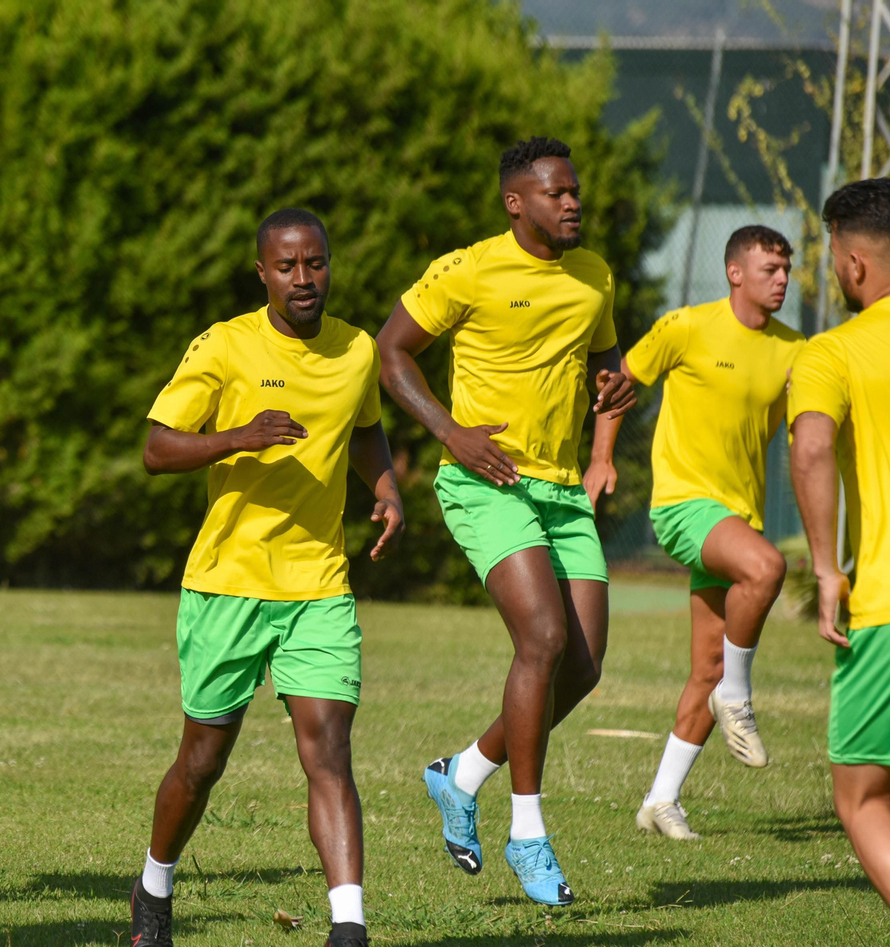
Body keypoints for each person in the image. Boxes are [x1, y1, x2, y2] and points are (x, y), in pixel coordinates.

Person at [128, 208, 405, 947]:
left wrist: (386, 489)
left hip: (318, 583)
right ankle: (153, 890)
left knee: (330, 753)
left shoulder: (357, 349)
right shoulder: (224, 346)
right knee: (203, 760)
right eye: (288, 266)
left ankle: (347, 932)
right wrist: (235, 437)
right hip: (228, 585)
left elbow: (364, 429)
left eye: (316, 263)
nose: (305, 279)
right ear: (263, 273)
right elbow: (155, 448)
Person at [374, 136, 634, 906]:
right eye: (555, 193)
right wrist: (450, 432)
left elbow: (608, 369)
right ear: (515, 202)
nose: (572, 202)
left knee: (582, 668)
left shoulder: (594, 276)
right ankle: (529, 834)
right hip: (485, 481)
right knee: (544, 640)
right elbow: (392, 354)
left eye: (575, 190)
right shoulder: (468, 269)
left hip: (561, 491)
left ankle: (463, 774)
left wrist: (604, 444)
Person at [587, 226, 802, 842]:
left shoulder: (796, 350)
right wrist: (602, 460)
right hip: (684, 506)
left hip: (738, 518)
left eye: (786, 270)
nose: (781, 280)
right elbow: (614, 388)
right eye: (769, 269)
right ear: (735, 273)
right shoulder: (684, 327)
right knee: (765, 569)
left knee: (707, 666)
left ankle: (660, 801)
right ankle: (740, 695)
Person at [790, 176, 890, 907]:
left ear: (854, 264)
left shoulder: (831, 353)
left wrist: (827, 570)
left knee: (861, 796)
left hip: (884, 607)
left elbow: (813, 450)